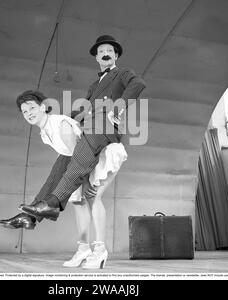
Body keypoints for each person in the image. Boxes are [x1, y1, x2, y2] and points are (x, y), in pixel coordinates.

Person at [19, 35, 146, 225]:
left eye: (109, 51)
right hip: (89, 127)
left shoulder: (122, 73)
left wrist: (118, 107)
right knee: (62, 163)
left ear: (116, 56)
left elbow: (138, 84)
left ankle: (53, 203)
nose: (105, 54)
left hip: (106, 126)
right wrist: (67, 120)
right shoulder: (94, 85)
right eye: (101, 51)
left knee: (79, 154)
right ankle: (31, 216)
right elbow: (83, 108)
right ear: (96, 57)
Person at [0, 90, 127, 269]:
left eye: (32, 108)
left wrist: (86, 183)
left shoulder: (60, 125)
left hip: (103, 154)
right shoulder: (45, 132)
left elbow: (82, 158)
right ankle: (83, 249)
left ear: (43, 107)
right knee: (77, 202)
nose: (29, 114)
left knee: (93, 198)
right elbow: (70, 158)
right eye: (25, 112)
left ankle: (100, 250)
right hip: (81, 159)